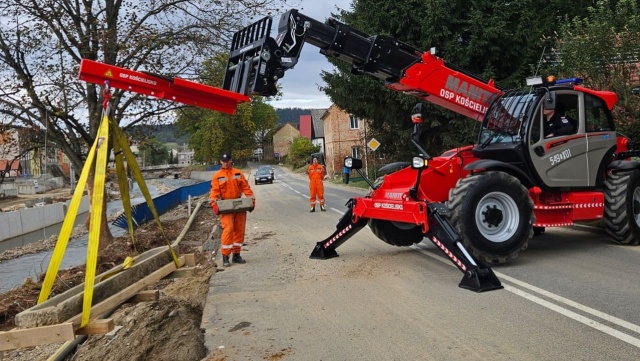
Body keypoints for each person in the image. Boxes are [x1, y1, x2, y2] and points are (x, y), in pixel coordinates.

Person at [209, 152, 255, 267]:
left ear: (231, 160)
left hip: (239, 205)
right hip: (226, 207)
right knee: (228, 229)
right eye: (223, 161)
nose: (225, 163)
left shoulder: (238, 173)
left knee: (239, 230)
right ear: (221, 161)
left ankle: (236, 255)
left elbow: (246, 187)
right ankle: (225, 256)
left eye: (227, 161)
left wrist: (252, 201)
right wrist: (213, 203)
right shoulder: (217, 176)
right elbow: (214, 191)